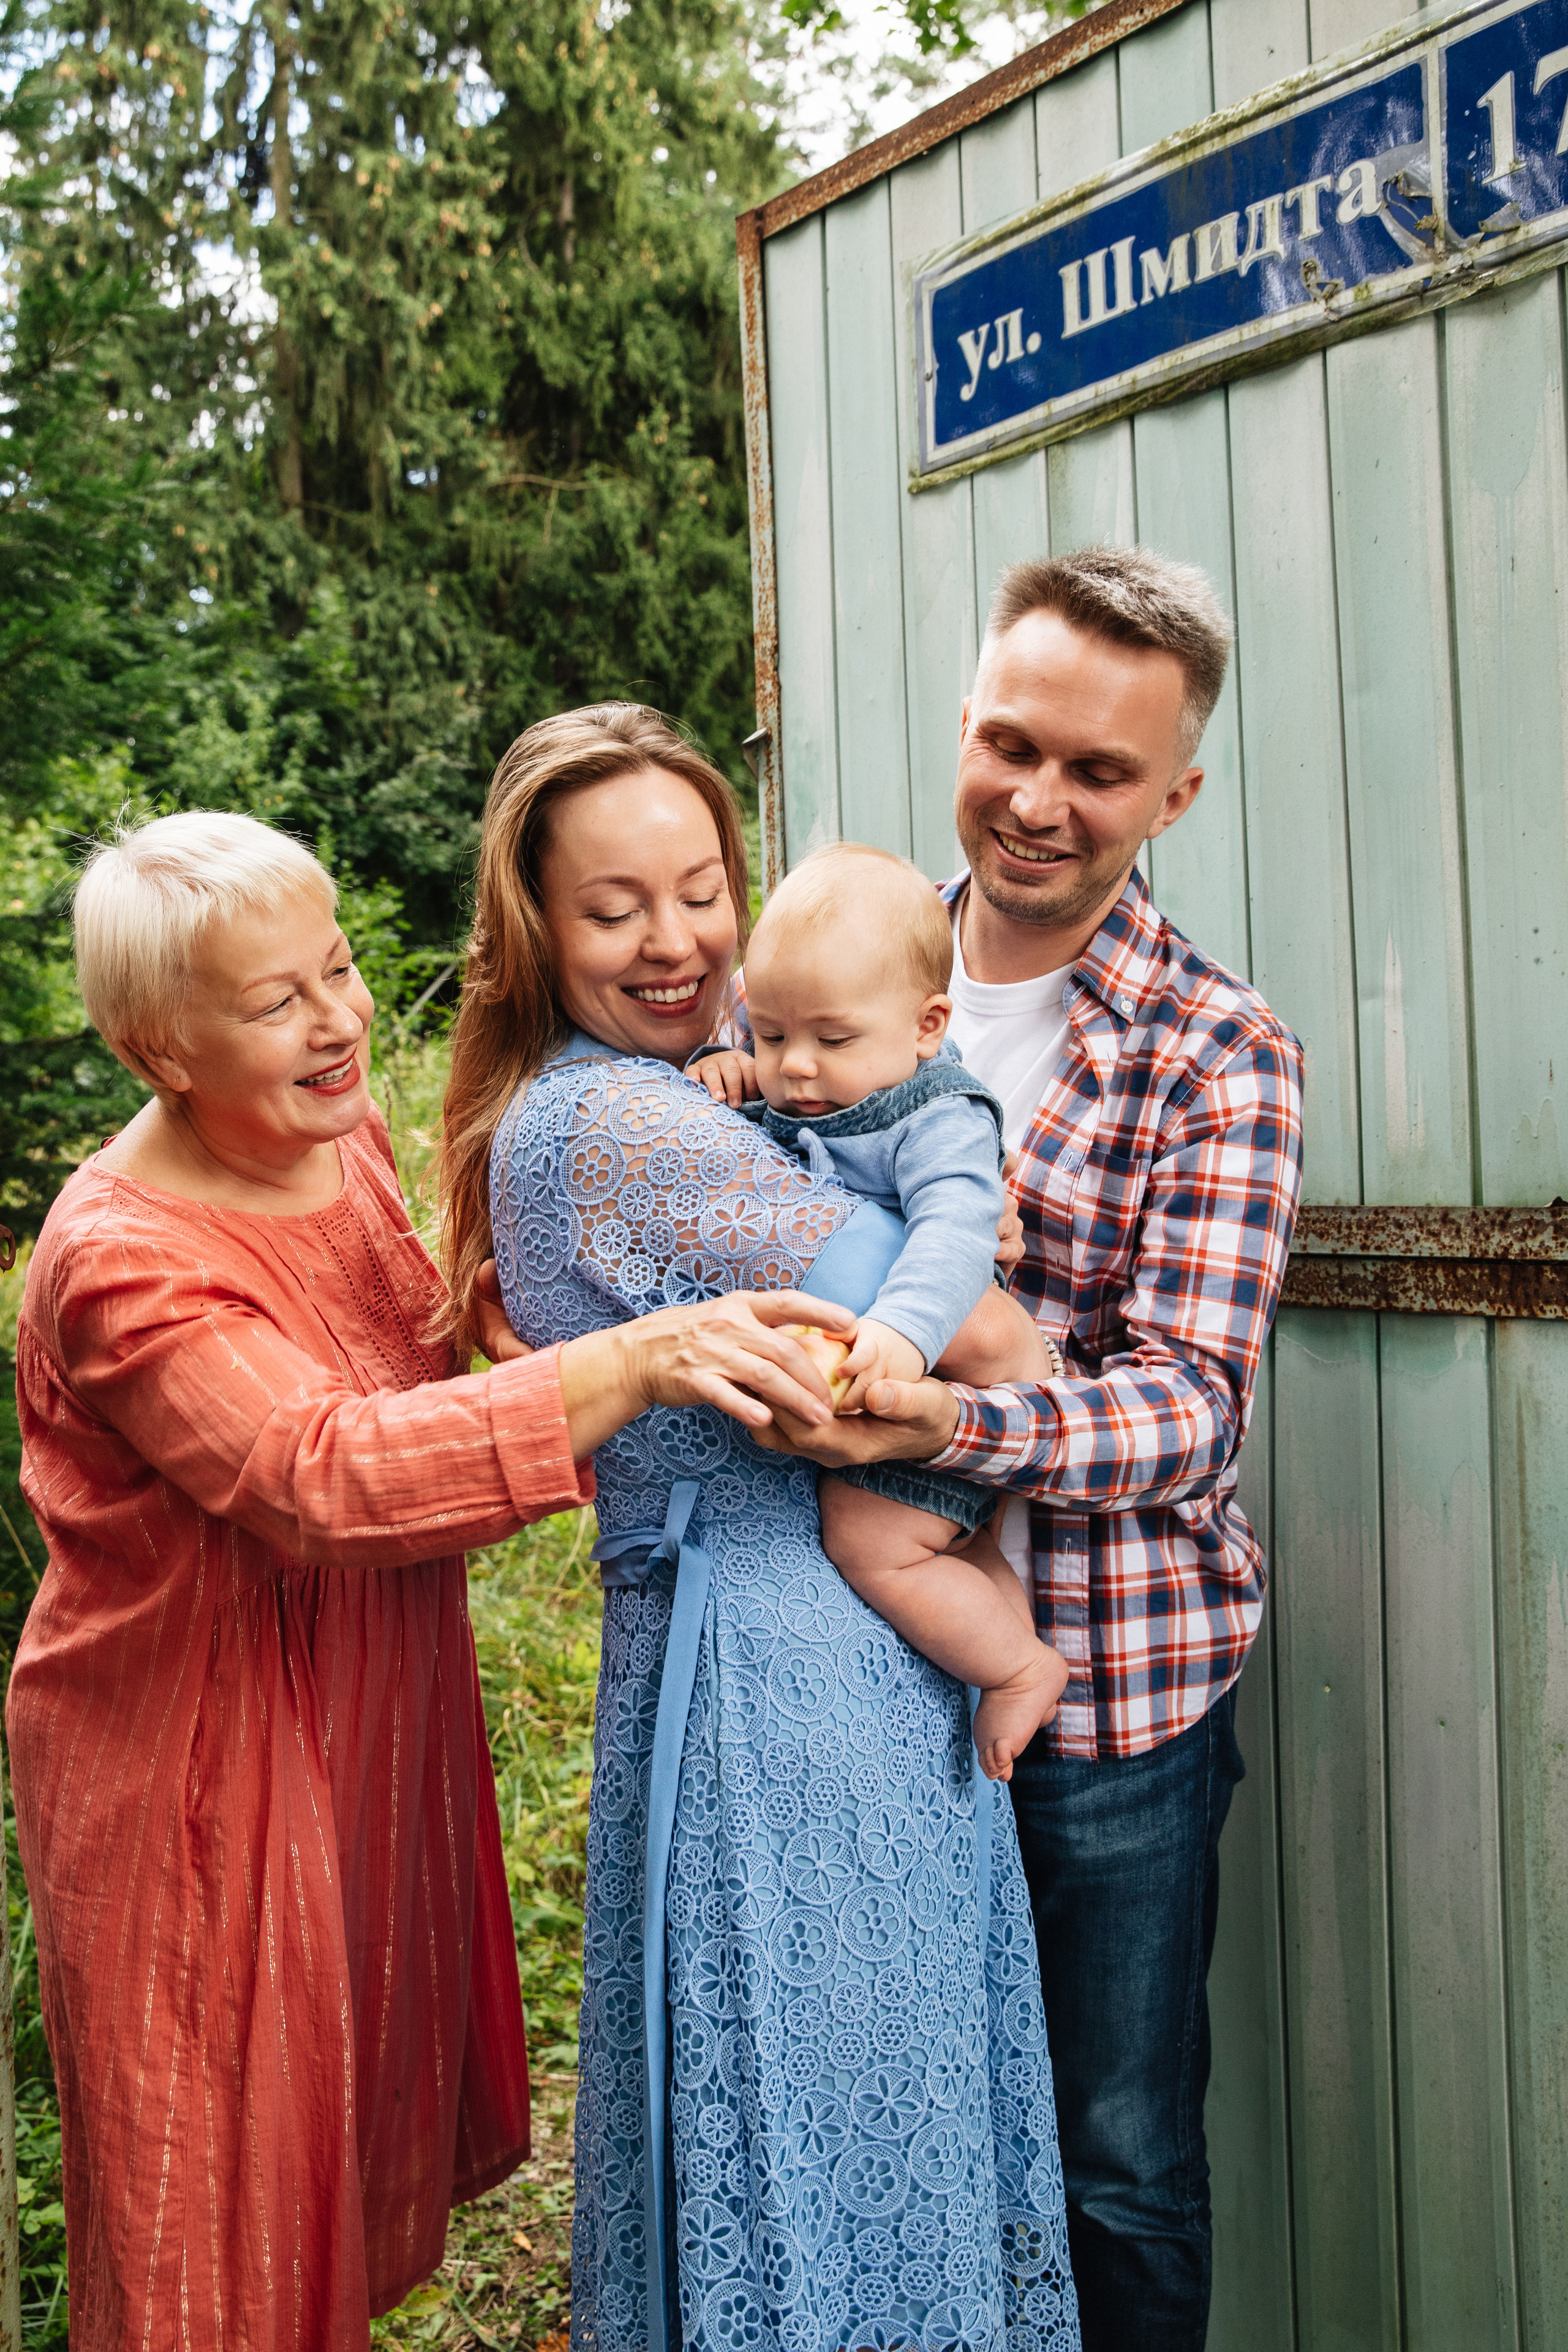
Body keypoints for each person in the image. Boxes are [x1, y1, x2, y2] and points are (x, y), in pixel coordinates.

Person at [4, 809, 861, 2351]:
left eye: (334, 969)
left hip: (358, 1715)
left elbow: (394, 1362)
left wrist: (490, 1327)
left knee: (329, 2140)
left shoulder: (334, 1151)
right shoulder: (119, 1258)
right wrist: (627, 1363)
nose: (339, 1018)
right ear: (156, 1048)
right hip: (198, 1769)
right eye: (275, 1004)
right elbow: (316, 1473)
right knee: (212, 2210)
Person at [440, 705, 1082, 2352]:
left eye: (703, 887)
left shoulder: (694, 1094)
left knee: (825, 2118)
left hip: (782, 1654)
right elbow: (991, 1338)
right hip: (788, 1688)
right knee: (824, 2136)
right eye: (612, 908)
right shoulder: (613, 1127)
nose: (677, 942)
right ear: (534, 926)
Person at [755, 548, 1305, 2352]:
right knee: (903, 2124)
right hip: (849, 1674)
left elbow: (1190, 1405)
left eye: (1100, 772)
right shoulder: (843, 952)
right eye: (1013, 743)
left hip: (1112, 1704)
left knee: (1114, 2150)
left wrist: (958, 1411)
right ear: (969, 721)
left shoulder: (1219, 1054)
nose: (1040, 801)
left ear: (1177, 793)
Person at [693, 840, 1069, 1781]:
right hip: (914, 1387)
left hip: (948, 1379)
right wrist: (726, 1067)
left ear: (927, 1026)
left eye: (831, 1038)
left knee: (868, 1543)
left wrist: (901, 1332)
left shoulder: (938, 1116)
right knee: (949, 1543)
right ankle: (1000, 1618)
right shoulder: (808, 1082)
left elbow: (954, 1235)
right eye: (771, 1036)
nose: (799, 1070)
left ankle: (1021, 1667)